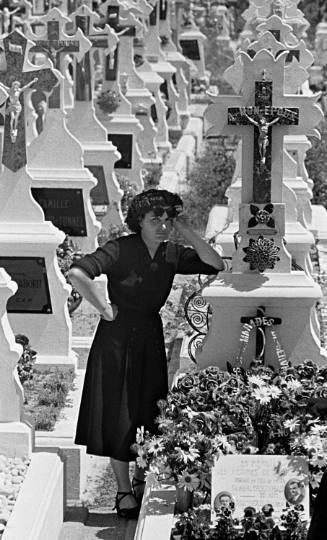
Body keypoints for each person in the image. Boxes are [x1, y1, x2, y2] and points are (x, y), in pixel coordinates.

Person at [68, 189, 224, 519]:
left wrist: (184, 229)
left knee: (148, 409)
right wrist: (104, 309)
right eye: (156, 220)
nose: (163, 226)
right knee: (120, 410)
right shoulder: (120, 249)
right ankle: (124, 490)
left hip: (151, 336)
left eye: (168, 220)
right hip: (117, 338)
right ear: (139, 221)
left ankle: (141, 479)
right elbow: (77, 273)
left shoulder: (171, 253)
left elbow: (215, 263)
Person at [0, 77, 38, 143]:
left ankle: (15, 131)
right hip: (11, 106)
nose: (16, 87)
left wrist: (33, 81)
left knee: (16, 119)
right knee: (12, 118)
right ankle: (11, 131)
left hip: (18, 106)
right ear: (12, 85)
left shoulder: (19, 91)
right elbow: (2, 85)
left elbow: (26, 86)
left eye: (17, 85)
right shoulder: (9, 90)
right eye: (15, 85)